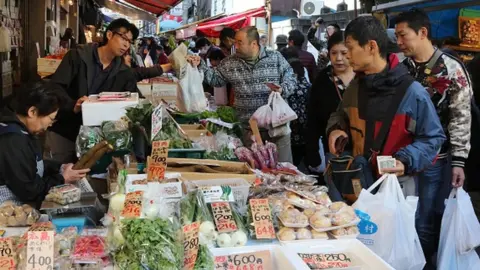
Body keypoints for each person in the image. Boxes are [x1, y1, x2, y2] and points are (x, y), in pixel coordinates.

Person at [395, 9, 473, 268]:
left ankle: (422, 264)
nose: (399, 42)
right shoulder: (400, 68)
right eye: (397, 36)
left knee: (426, 218)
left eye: (403, 35)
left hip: (435, 160)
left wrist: (459, 161)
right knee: (401, 216)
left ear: (423, 33)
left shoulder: (452, 69)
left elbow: (461, 117)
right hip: (400, 158)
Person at [326, 16, 445, 185]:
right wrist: (336, 129)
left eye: (350, 49)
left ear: (371, 47)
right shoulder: (355, 86)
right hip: (359, 182)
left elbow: (433, 138)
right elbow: (340, 114)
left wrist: (405, 160)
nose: (347, 56)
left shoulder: (412, 92)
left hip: (397, 187)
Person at [194, 26, 297, 162]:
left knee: (284, 170)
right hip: (249, 130)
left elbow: (292, 78)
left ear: (254, 43)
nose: (235, 46)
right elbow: (215, 79)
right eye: (235, 42)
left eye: (239, 42)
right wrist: (200, 64)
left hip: (277, 128)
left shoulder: (275, 58)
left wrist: (282, 89)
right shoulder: (230, 62)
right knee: (256, 174)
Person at [48, 18, 139, 163]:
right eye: (123, 38)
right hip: (65, 131)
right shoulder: (77, 56)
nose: (126, 44)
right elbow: (55, 87)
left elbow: (134, 102)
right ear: (109, 35)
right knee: (58, 176)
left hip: (97, 143)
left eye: (130, 41)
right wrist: (73, 105)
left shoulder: (124, 72)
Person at [0, 82, 90, 207]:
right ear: (32, 112)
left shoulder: (24, 131)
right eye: (51, 118)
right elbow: (29, 190)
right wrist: (62, 178)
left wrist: (59, 167)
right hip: (8, 212)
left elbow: (29, 164)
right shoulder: (12, 140)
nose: (50, 124)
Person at [306, 31, 355, 173]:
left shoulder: (362, 76)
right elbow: (313, 117)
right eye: (334, 53)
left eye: (344, 53)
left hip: (363, 146)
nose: (339, 58)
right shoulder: (322, 80)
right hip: (334, 148)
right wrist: (312, 151)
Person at [280, 48, 311, 167]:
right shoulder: (302, 71)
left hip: (291, 126)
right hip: (305, 126)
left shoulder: (286, 72)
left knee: (293, 158)